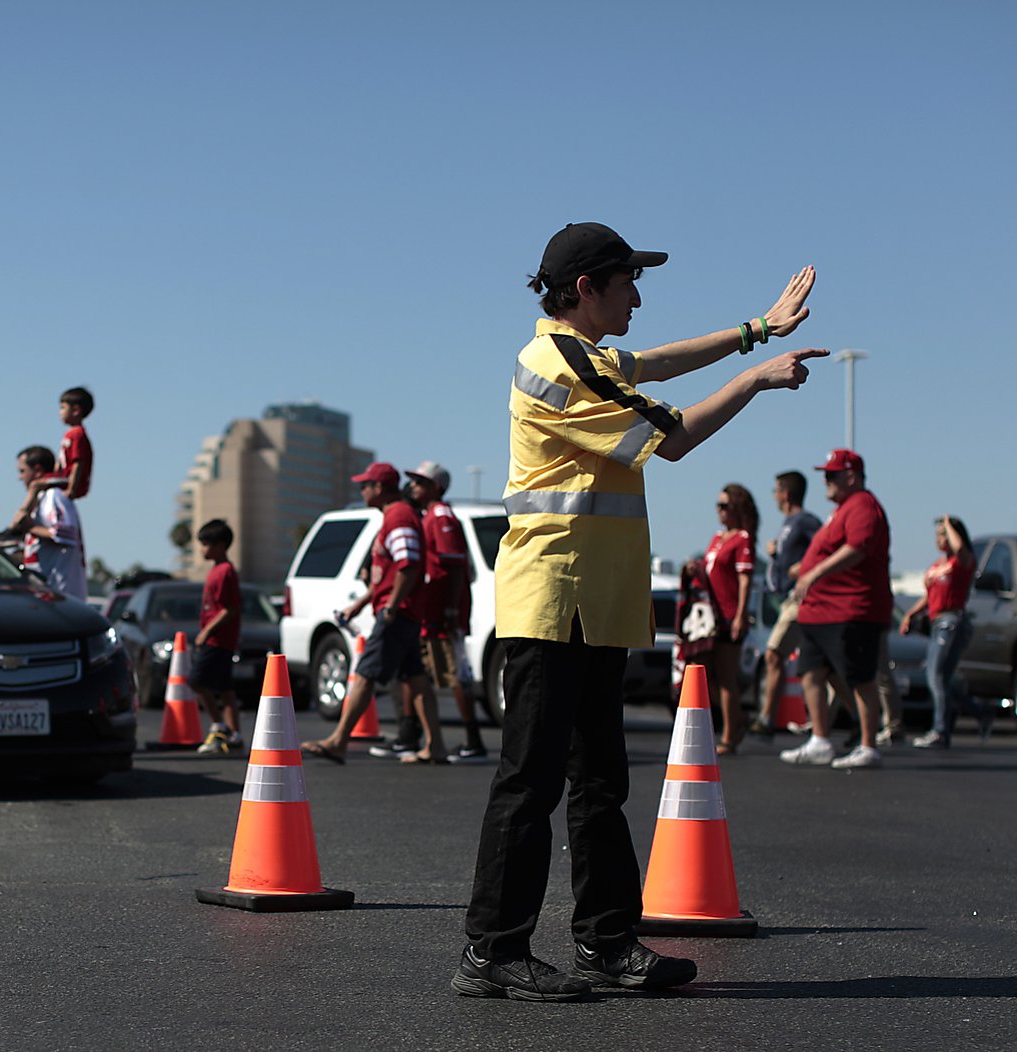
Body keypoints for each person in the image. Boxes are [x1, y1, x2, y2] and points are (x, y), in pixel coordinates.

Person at [454, 220, 822, 1002]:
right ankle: (492, 950)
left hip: (593, 601)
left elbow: (654, 362)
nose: (639, 295)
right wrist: (757, 376)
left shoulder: (584, 354)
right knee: (532, 782)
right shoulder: (558, 368)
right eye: (627, 281)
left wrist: (756, 329)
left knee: (599, 783)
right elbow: (677, 433)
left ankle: (608, 943)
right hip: (553, 600)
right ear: (585, 289)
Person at [301, 462, 449, 765]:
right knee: (416, 679)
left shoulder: (398, 517)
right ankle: (436, 746)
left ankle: (339, 741)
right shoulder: (396, 517)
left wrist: (392, 606)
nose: (362, 490)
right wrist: (360, 604)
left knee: (366, 675)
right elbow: (392, 571)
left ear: (379, 488)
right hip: (401, 610)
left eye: (365, 485)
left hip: (397, 613)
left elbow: (408, 565)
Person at [779, 448, 892, 770]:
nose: (826, 481)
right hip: (821, 612)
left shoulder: (863, 506)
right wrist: (805, 566)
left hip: (851, 610)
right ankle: (820, 740)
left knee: (859, 677)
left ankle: (869, 744)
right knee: (811, 673)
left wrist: (813, 572)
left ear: (852, 476)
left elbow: (857, 548)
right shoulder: (842, 509)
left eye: (832, 475)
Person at [406, 460, 487, 762]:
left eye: (420, 482)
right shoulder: (429, 516)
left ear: (435, 487)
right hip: (432, 612)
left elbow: (454, 566)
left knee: (454, 674)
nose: (414, 486)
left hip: (442, 614)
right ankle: (416, 735)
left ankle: (472, 739)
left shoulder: (440, 516)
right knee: (422, 674)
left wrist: (452, 610)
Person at [904, 516, 991, 749]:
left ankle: (940, 731)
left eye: (944, 534)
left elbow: (961, 548)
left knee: (935, 676)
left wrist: (949, 524)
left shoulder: (962, 561)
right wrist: (910, 614)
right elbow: (929, 596)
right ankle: (981, 711)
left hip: (951, 622)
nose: (939, 539)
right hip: (935, 622)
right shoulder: (937, 565)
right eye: (938, 535)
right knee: (943, 679)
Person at [751, 471, 820, 737]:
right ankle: (853, 719)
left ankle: (767, 717)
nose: (774, 496)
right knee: (821, 666)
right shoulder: (788, 524)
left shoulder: (805, 521)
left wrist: (804, 566)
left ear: (786, 494)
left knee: (773, 654)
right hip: (786, 599)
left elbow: (826, 545)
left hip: (799, 598)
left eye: (776, 490)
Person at [694, 483, 757, 753]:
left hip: (730, 614)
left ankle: (730, 735)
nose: (720, 511)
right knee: (706, 674)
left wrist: (742, 614)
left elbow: (745, 580)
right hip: (710, 616)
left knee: (726, 676)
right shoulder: (717, 538)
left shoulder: (742, 539)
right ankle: (737, 720)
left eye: (725, 506)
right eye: (718, 506)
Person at [0, 387, 95, 540]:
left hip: (68, 479)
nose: (59, 412)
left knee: (35, 485)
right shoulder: (71, 434)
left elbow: (78, 463)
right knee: (39, 486)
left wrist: (71, 488)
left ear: (76, 410)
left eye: (63, 408)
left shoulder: (77, 434)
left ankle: (17, 524)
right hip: (63, 477)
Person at [192, 519, 244, 756]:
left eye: (206, 544)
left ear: (221, 545)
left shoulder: (224, 572)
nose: (202, 549)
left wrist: (206, 631)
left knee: (197, 680)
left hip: (218, 640)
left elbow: (229, 609)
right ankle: (235, 735)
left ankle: (219, 726)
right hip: (220, 639)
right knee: (224, 687)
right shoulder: (217, 570)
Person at [10, 445, 87, 600]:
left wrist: (30, 527)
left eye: (23, 471)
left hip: (59, 593)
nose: (20, 477)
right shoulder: (40, 498)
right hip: (44, 592)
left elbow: (65, 533)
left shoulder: (54, 496)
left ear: (37, 470)